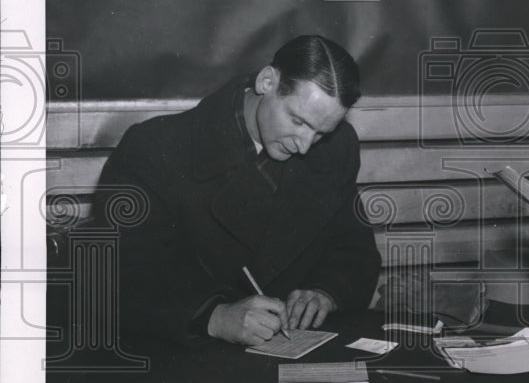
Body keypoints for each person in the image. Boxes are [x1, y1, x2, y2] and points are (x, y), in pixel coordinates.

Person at [97, 35, 381, 347]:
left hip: (289, 347)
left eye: (320, 132)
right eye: (297, 121)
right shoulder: (155, 148)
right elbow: (114, 276)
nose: (304, 145)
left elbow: (354, 249)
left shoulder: (335, 149)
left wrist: (326, 292)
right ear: (267, 82)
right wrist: (211, 317)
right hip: (183, 350)